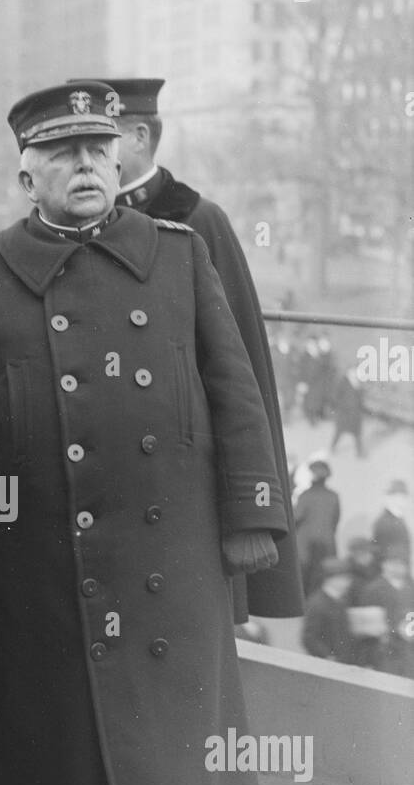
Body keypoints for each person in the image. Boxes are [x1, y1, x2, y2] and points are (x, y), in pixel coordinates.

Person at [0, 82, 288, 785]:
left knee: (167, 743)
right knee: (51, 741)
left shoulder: (178, 254)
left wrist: (251, 516)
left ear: (122, 159)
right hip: (37, 563)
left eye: (98, 148)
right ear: (25, 172)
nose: (85, 164)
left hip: (169, 561)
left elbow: (234, 388)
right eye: (62, 153)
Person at [68, 75, 302, 625]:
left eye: (104, 142)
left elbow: (240, 375)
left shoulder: (197, 220)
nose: (89, 160)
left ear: (143, 137)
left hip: (182, 474)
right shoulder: (74, 223)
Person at [359, 547, 414, 678]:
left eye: (402, 564)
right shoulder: (373, 589)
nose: (398, 568)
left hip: (409, 649)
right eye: (393, 563)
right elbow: (366, 623)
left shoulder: (409, 588)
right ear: (384, 564)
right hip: (384, 650)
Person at [294, 453, 340, 595]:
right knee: (322, 581)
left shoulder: (306, 495)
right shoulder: (333, 496)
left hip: (306, 547)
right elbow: (335, 520)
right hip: (326, 545)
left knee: (305, 582)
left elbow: (296, 518)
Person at [301, 559, 355, 663]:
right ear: (329, 579)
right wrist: (327, 656)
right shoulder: (317, 603)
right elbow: (309, 638)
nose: (347, 582)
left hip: (344, 660)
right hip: (330, 663)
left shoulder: (342, 600)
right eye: (343, 578)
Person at [372, 480, 412, 566]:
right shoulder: (384, 522)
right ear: (390, 498)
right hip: (393, 570)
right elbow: (383, 553)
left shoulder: (398, 519)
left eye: (404, 497)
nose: (404, 501)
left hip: (400, 569)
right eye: (400, 497)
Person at [331, 365, 366, 457]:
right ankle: (332, 447)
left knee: (357, 434)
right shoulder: (343, 382)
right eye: (352, 372)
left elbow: (360, 398)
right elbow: (336, 396)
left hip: (355, 414)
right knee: (339, 432)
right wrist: (341, 406)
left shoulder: (358, 383)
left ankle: (359, 452)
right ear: (348, 372)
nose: (354, 374)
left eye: (356, 372)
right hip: (344, 412)